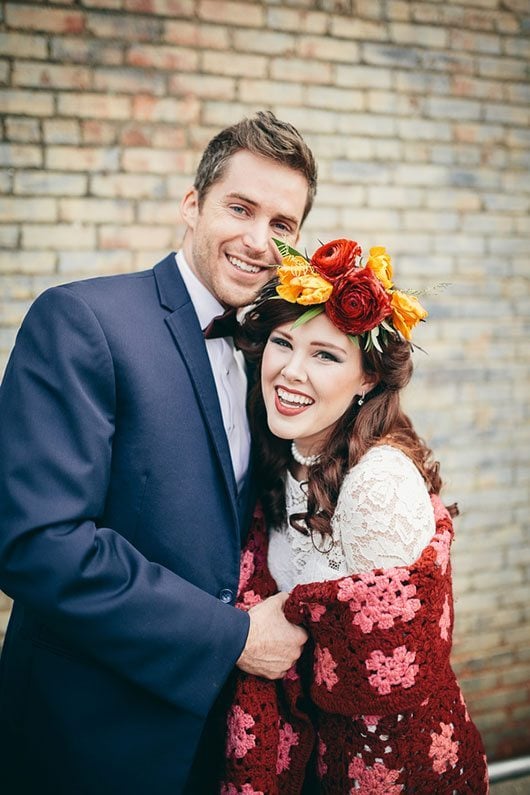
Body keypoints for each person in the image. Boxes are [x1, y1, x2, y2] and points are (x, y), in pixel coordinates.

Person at [0, 111, 317, 794]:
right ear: (192, 204)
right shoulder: (83, 321)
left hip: (219, 743)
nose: (259, 241)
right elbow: (37, 542)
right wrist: (228, 636)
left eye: (283, 225)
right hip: (86, 739)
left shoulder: (276, 352)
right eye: (240, 207)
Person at [221, 238, 489, 793]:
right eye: (282, 343)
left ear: (368, 377)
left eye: (326, 354)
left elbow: (395, 692)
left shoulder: (376, 485)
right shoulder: (287, 455)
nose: (292, 371)